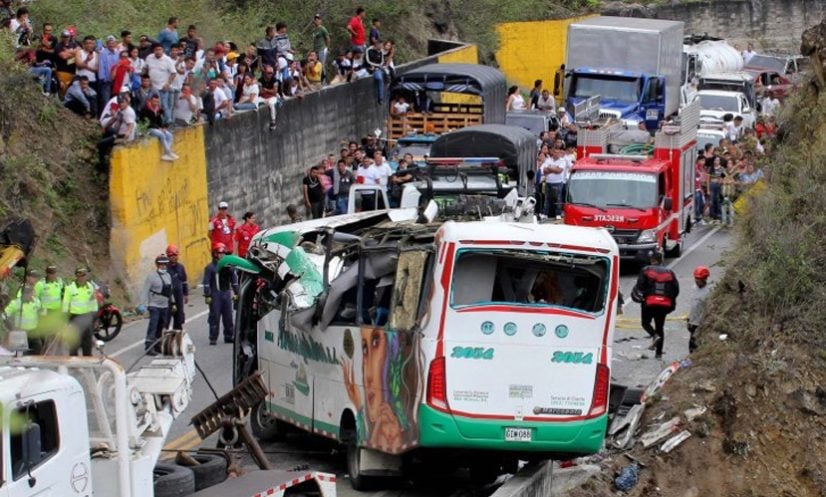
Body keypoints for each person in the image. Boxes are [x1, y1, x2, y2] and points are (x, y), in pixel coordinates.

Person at [631, 251, 679, 360]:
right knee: (660, 327)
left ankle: (654, 335)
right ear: (661, 260)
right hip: (664, 304)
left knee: (645, 323)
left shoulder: (646, 270)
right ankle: (658, 354)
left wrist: (641, 298)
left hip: (649, 303)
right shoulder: (670, 272)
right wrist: (671, 302)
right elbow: (675, 290)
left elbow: (640, 287)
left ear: (652, 260)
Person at [137, 254, 175, 355]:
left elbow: (170, 291)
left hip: (165, 306)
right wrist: (142, 304)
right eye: (161, 264)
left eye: (165, 264)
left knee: (161, 326)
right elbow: (145, 290)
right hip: (154, 305)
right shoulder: (151, 277)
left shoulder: (168, 276)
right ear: (157, 265)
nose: (164, 266)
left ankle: (158, 345)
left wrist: (173, 302)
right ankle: (149, 346)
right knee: (153, 325)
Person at [203, 243, 238, 345]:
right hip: (215, 295)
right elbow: (206, 282)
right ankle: (213, 337)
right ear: (215, 254)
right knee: (214, 316)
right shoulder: (210, 268)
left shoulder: (229, 267)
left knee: (228, 316)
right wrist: (207, 294)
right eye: (219, 253)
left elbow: (234, 281)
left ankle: (229, 336)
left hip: (226, 293)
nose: (222, 255)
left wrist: (237, 292)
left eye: (223, 253)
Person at [62, 267, 99, 356]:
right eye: (79, 275)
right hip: (74, 318)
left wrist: (95, 319)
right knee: (74, 344)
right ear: (76, 276)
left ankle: (87, 361)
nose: (82, 278)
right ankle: (74, 362)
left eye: (83, 275)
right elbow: (65, 305)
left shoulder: (90, 287)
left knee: (87, 343)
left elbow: (93, 303)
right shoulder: (70, 288)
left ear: (86, 276)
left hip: (86, 317)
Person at [3, 284, 41, 354]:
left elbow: (40, 312)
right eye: (25, 292)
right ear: (22, 293)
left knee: (37, 348)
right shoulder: (16, 303)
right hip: (21, 332)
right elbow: (4, 315)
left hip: (34, 331)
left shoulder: (37, 302)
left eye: (29, 292)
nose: (27, 294)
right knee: (21, 353)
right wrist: (10, 327)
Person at [687, 265, 710, 353]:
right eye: (696, 278)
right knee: (691, 344)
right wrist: (689, 320)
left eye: (699, 279)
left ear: (704, 279)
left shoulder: (709, 291)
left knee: (699, 345)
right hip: (693, 321)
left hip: (702, 322)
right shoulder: (694, 288)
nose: (697, 280)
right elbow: (693, 305)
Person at [165, 245, 189, 330]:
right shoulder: (165, 269)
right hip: (168, 297)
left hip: (179, 296)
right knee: (166, 319)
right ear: (168, 256)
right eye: (171, 256)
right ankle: (163, 335)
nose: (173, 257)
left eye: (175, 255)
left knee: (179, 318)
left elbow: (184, 281)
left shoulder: (181, 267)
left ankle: (177, 334)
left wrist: (186, 294)